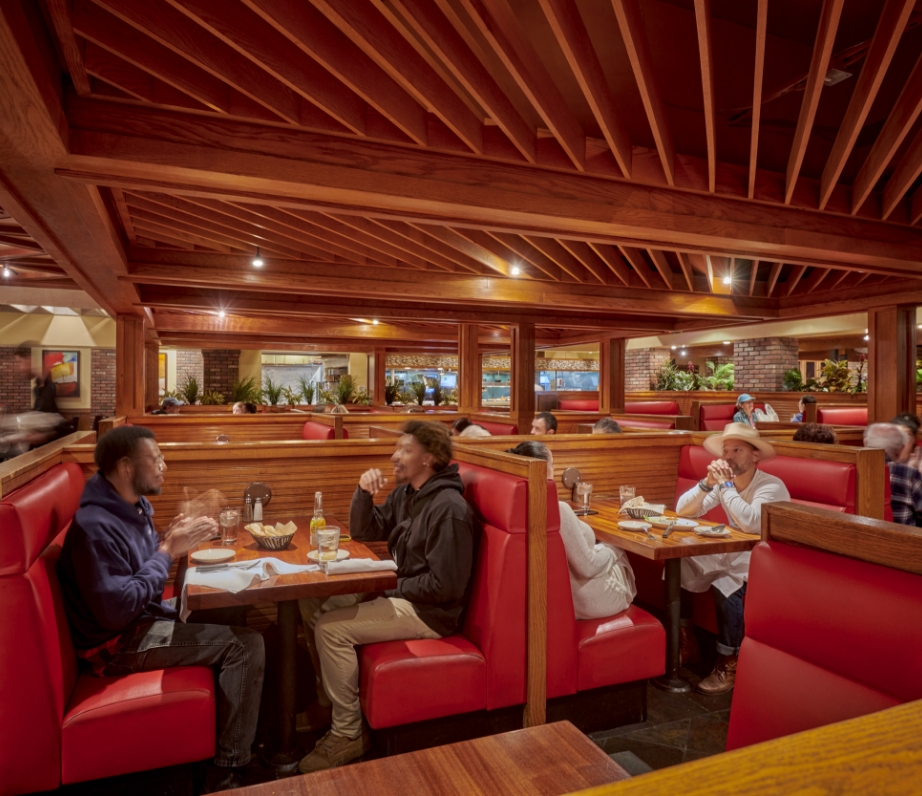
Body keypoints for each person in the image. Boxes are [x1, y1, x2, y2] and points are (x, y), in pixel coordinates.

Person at [55, 426, 265, 792]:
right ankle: (229, 772)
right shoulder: (95, 527)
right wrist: (168, 549)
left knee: (234, 611)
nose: (164, 466)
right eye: (156, 459)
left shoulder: (126, 508)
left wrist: (167, 534)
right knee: (245, 646)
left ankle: (235, 737)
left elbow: (133, 564)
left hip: (139, 620)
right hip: (116, 644)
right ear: (125, 467)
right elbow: (117, 610)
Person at [299, 421, 474, 772]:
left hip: (430, 614)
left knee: (331, 629)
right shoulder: (408, 495)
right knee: (311, 602)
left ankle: (349, 733)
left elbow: (446, 587)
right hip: (405, 595)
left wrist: (386, 586)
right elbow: (366, 529)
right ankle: (333, 704)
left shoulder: (448, 509)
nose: (395, 456)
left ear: (429, 458)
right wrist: (363, 492)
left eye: (405, 450)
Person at [675, 423, 790, 695]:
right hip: (736, 551)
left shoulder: (771, 485)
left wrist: (724, 485)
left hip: (772, 561)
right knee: (680, 562)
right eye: (726, 450)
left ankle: (730, 661)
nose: (728, 456)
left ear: (754, 456)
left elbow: (750, 523)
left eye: (737, 450)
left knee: (728, 580)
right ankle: (687, 642)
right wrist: (706, 484)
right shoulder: (726, 484)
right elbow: (683, 511)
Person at [507, 441, 636, 618]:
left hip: (559, 596)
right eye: (553, 463)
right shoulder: (557, 509)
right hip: (586, 600)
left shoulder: (516, 503)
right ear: (544, 469)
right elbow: (588, 568)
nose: (555, 468)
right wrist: (613, 551)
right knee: (621, 556)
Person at [864, 422, 922, 526]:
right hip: (903, 538)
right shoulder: (908, 473)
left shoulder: (850, 467)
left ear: (865, 442)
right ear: (900, 449)